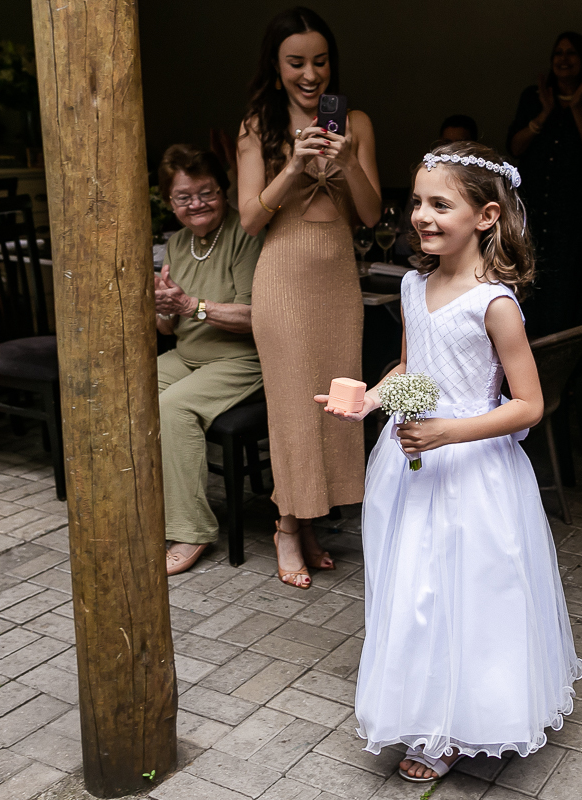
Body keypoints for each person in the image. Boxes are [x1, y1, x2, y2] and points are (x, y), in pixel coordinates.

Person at [319, 140, 582, 780]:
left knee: (469, 593)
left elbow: (528, 405)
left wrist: (449, 434)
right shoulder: (414, 285)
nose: (422, 215)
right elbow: (416, 371)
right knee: (413, 591)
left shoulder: (494, 303)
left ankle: (462, 723)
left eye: (441, 204)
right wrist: (371, 400)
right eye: (417, 202)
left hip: (474, 471)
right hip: (411, 465)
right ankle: (421, 711)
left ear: (486, 217)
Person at [237, 7, 381, 589]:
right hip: (283, 278)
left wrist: (346, 164)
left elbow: (369, 215)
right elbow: (249, 219)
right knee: (295, 408)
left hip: (337, 280)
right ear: (276, 68)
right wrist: (295, 165)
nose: (310, 73)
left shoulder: (359, 124)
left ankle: (314, 521)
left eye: (319, 61)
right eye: (296, 62)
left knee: (336, 404)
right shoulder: (258, 128)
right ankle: (286, 527)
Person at [154, 145, 266, 574]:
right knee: (125, 391)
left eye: (207, 192)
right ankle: (148, 505)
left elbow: (257, 318)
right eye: (184, 197)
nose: (197, 204)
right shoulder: (177, 243)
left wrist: (190, 306)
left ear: (225, 191)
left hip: (241, 360)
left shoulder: (246, 235)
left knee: (173, 407)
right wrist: (162, 308)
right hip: (187, 355)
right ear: (170, 201)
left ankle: (192, 530)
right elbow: (169, 328)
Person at [506, 31, 582, 338]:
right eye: (558, 53)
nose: (563, 59)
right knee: (526, 291)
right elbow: (516, 147)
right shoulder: (533, 97)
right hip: (532, 213)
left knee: (564, 296)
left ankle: (558, 375)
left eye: (571, 53)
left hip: (571, 219)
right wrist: (545, 112)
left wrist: (575, 107)